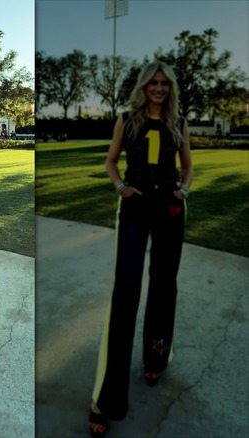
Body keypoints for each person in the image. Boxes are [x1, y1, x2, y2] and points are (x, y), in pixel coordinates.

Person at [88, 61, 193, 438]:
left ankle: (156, 355)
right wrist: (120, 187)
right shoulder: (126, 120)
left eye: (166, 83)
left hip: (169, 207)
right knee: (127, 290)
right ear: (144, 86)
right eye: (154, 82)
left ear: (171, 88)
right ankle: (106, 397)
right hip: (134, 207)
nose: (160, 88)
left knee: (164, 284)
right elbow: (111, 161)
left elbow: (187, 167)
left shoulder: (178, 124)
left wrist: (182, 191)